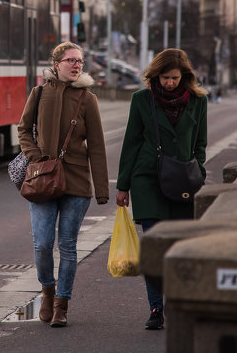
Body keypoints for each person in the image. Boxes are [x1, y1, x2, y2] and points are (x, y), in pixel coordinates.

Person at [18, 41, 109, 327]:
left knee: (68, 246)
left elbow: (96, 144)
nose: (76, 65)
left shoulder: (88, 99)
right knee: (43, 244)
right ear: (56, 64)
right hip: (43, 179)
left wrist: (103, 189)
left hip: (76, 181)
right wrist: (35, 157)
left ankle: (62, 304)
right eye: (70, 60)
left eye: (80, 61)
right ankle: (47, 289)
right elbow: (23, 129)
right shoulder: (40, 92)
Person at [116, 48, 207, 331]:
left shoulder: (198, 101)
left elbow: (201, 143)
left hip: (182, 180)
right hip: (148, 179)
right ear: (156, 74)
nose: (170, 83)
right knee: (154, 246)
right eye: (165, 77)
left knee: (179, 246)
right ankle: (156, 309)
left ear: (185, 77)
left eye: (175, 78)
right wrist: (123, 186)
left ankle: (176, 302)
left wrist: (198, 171)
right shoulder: (142, 100)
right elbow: (131, 142)